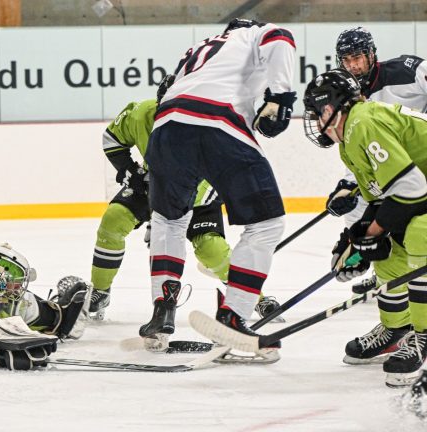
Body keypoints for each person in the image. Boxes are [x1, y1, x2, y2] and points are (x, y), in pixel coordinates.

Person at [143, 18, 296, 359]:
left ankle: (162, 309)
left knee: (168, 220)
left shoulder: (198, 48)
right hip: (217, 123)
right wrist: (281, 97)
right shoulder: (253, 34)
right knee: (267, 224)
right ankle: (234, 316)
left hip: (166, 128)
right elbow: (280, 36)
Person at [92, 87, 283, 337]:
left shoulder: (206, 125)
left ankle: (256, 298)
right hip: (153, 182)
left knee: (212, 250)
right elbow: (112, 139)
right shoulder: (141, 114)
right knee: (113, 220)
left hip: (198, 195)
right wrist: (130, 171)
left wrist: (164, 223)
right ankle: (100, 291)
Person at [303, 68, 427, 387]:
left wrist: (368, 235)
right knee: (387, 250)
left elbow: (412, 189)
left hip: (422, 191)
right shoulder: (351, 135)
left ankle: (425, 335)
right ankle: (397, 329)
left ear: (332, 108)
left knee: (419, 234)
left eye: (318, 113)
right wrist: (354, 239)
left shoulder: (363, 123)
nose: (317, 123)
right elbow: (383, 199)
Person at [324, 27, 427, 295]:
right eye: (346, 60)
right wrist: (348, 184)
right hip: (393, 160)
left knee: (401, 209)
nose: (353, 65)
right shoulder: (348, 92)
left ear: (371, 54)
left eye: (357, 57)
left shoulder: (408, 70)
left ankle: (403, 269)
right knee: (357, 206)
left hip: (419, 153)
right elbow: (361, 149)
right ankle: (374, 260)